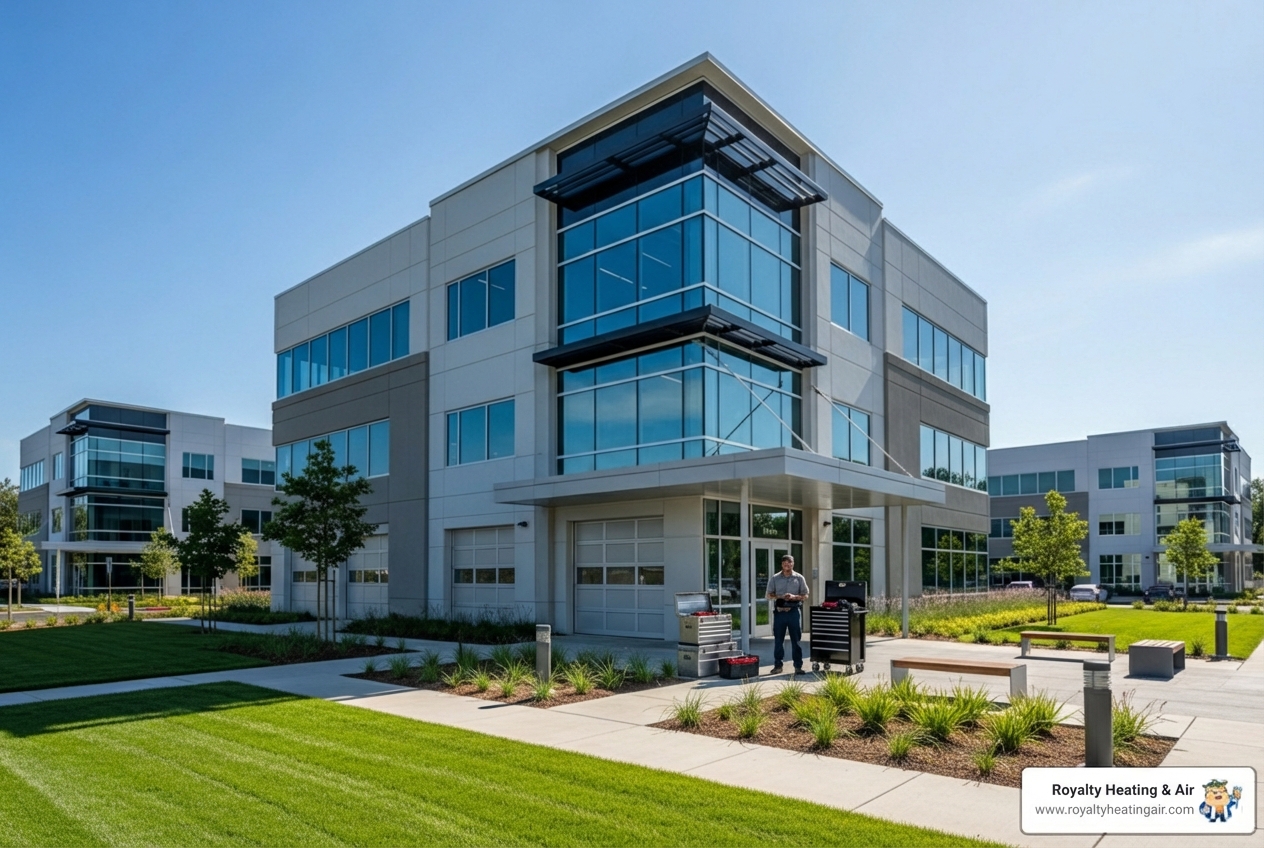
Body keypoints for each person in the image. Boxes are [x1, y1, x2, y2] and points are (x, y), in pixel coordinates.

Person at [766, 554, 809, 674]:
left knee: (796, 640)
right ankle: (778, 665)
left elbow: (805, 595)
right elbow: (768, 595)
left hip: (793, 612)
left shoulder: (799, 578)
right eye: (785, 563)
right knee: (778, 640)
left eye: (789, 562)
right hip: (780, 613)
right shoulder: (775, 578)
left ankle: (798, 666)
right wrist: (781, 596)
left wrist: (794, 597)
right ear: (782, 564)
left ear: (793, 563)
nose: (787, 565)